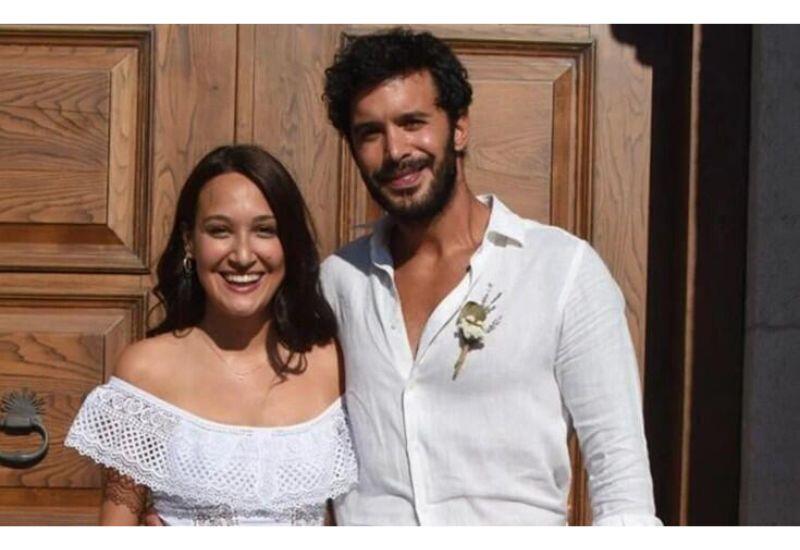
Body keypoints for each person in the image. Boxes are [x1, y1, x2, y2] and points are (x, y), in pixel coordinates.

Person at [320, 28, 662, 525]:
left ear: (459, 127)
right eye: (370, 133)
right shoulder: (338, 283)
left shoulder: (560, 270)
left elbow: (621, 480)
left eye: (413, 123)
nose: (394, 150)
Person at [65, 145, 357, 525]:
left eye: (265, 231)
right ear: (190, 240)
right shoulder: (146, 371)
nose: (242, 255)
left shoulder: (333, 365)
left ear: (288, 243)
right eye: (220, 231)